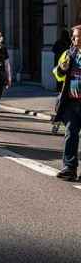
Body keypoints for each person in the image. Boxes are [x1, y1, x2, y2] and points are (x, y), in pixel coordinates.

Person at [53, 25, 81, 181]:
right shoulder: (69, 53)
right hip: (71, 101)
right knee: (70, 134)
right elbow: (57, 74)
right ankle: (69, 168)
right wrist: (62, 69)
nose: (73, 39)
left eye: (76, 36)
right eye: (73, 36)